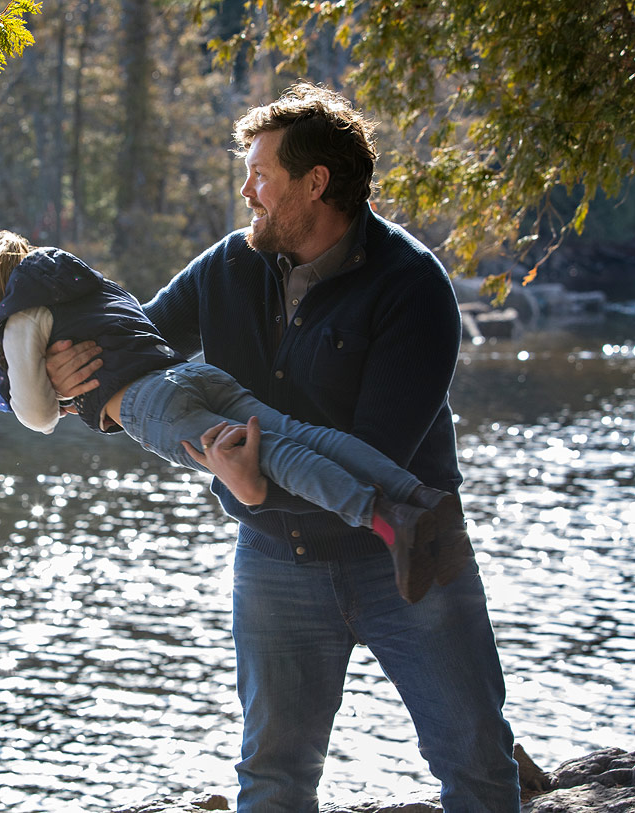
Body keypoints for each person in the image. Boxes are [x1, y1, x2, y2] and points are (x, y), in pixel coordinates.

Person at [45, 82, 520, 811]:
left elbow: (373, 453)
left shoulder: (412, 286)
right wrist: (76, 380)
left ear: (315, 183)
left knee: (478, 766)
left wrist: (253, 484)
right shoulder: (228, 266)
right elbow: (138, 348)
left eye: (260, 174)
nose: (246, 191)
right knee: (273, 781)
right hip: (275, 565)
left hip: (409, 554)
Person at [0, 230, 459, 604]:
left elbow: (37, 415)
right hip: (193, 373)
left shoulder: (21, 317)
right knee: (301, 434)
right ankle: (419, 498)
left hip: (152, 406)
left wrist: (44, 384)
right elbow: (140, 324)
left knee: (272, 457)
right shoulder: (76, 279)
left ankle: (386, 520)